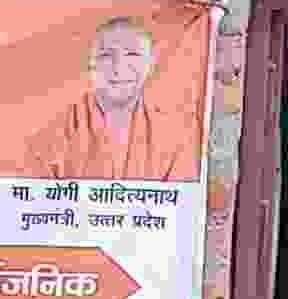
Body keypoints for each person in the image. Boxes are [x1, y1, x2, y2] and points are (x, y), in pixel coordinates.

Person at [25, 12, 186, 184]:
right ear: (91, 65)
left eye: (133, 54)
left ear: (150, 64)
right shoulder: (52, 135)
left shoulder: (173, 137)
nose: (118, 67)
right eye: (106, 56)